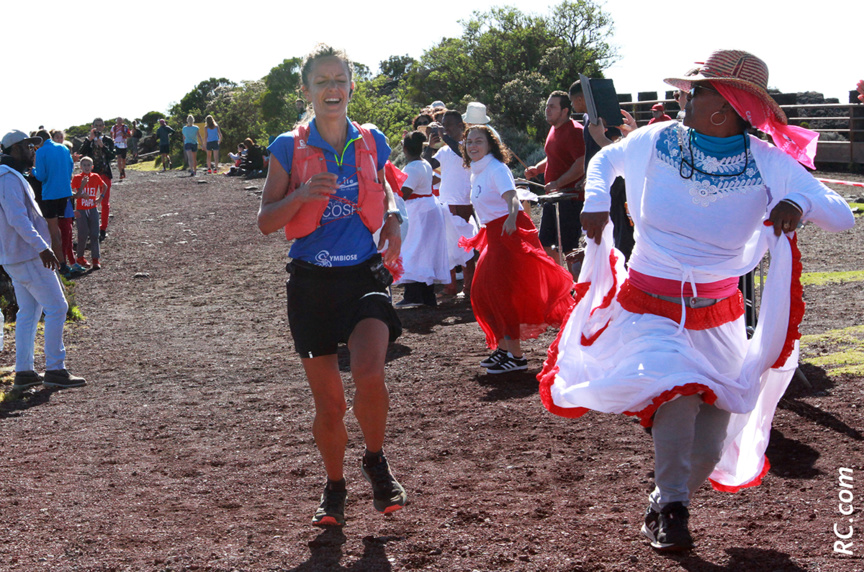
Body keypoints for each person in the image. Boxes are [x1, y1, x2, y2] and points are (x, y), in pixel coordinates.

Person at [540, 50, 855, 552]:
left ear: (726, 106)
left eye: (697, 90)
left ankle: (665, 502)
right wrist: (596, 199)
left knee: (709, 445)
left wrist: (801, 200)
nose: (684, 96)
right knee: (677, 389)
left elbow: (842, 215)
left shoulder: (768, 161)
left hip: (718, 319)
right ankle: (673, 509)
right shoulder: (659, 139)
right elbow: (605, 159)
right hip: (649, 307)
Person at [257, 44, 406, 527]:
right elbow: (265, 221)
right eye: (321, 81)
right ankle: (335, 485)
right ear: (306, 91)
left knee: (369, 372)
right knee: (330, 404)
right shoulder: (287, 147)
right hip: (311, 285)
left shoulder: (371, 139)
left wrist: (394, 216)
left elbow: (384, 184)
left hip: (363, 275)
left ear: (352, 87)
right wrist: (301, 194)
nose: (332, 88)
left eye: (339, 79)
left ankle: (376, 460)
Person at [459, 125, 573, 374]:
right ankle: (504, 349)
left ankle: (517, 357)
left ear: (491, 144)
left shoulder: (496, 168)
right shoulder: (476, 170)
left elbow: (512, 197)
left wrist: (511, 218)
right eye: (469, 142)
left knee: (501, 293)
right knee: (484, 291)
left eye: (478, 141)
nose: (473, 146)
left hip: (508, 231)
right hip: (494, 232)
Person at [0, 130, 86, 390]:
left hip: (16, 255)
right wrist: (42, 248)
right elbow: (18, 219)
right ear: (15, 148)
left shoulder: (9, 175)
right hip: (28, 254)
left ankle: (24, 372)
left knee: (29, 312)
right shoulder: (8, 177)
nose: (33, 151)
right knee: (57, 307)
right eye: (28, 146)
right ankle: (55, 369)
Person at [394, 131, 464, 308]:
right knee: (424, 252)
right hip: (427, 208)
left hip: (418, 212)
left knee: (413, 250)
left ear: (404, 149)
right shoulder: (424, 163)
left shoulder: (412, 167)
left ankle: (414, 295)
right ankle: (426, 295)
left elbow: (405, 193)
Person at [525, 91, 586, 273]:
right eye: (547, 106)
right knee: (546, 244)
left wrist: (558, 182)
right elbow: (553, 156)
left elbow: (581, 163)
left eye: (552, 107)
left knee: (569, 248)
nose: (547, 110)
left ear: (565, 110)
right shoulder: (554, 129)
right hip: (553, 198)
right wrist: (537, 168)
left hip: (570, 199)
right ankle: (562, 282)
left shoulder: (575, 131)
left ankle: (578, 285)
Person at [425, 109, 478, 298]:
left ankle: (469, 288)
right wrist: (429, 147)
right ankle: (450, 287)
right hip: (445, 202)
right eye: (443, 125)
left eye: (448, 125)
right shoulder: (445, 149)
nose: (444, 128)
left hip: (462, 202)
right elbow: (428, 165)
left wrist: (445, 137)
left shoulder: (467, 147)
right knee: (447, 246)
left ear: (460, 126)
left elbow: (462, 154)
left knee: (465, 246)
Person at [32, 127, 74, 269]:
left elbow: (41, 176)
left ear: (39, 141)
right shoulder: (64, 148)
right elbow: (70, 168)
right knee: (63, 228)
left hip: (50, 195)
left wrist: (33, 172)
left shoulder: (41, 151)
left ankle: (61, 264)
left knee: (53, 230)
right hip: (65, 193)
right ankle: (66, 260)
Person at [78, 118, 114, 241]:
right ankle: (91, 229)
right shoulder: (88, 140)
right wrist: (89, 140)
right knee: (88, 201)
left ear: (103, 127)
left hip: (104, 173)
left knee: (105, 202)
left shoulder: (108, 140)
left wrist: (102, 146)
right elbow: (81, 153)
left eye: (100, 125)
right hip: (91, 175)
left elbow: (112, 156)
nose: (98, 128)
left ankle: (103, 228)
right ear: (92, 126)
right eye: (96, 125)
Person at [70, 157, 106, 272]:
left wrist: (101, 197)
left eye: (88, 165)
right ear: (80, 167)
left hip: (93, 208)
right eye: (84, 165)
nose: (86, 167)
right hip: (81, 209)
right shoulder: (77, 178)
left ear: (92, 167)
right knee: (83, 234)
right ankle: (80, 257)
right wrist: (82, 186)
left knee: (95, 234)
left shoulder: (95, 176)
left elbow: (104, 186)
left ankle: (96, 259)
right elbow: (74, 195)